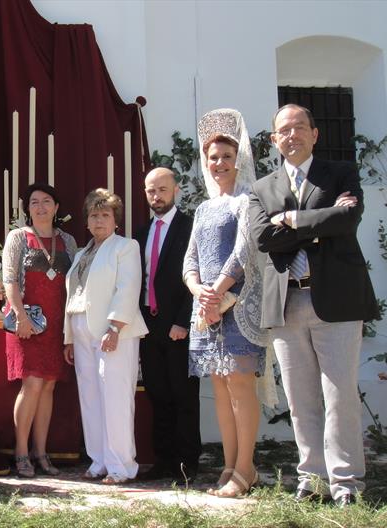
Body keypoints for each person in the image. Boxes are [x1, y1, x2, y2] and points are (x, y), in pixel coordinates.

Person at [248, 104, 376, 507]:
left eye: (300, 127)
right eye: (283, 130)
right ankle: (312, 478)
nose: (292, 135)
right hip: (287, 303)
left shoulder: (340, 173)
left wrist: (290, 220)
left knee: (339, 397)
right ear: (273, 140)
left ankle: (346, 484)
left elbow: (346, 220)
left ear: (314, 134)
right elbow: (261, 239)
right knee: (301, 401)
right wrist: (316, 222)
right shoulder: (261, 187)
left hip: (335, 300)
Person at [183, 108, 267, 498]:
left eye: (226, 157)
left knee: (239, 384)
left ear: (239, 159)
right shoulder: (203, 208)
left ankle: (247, 467)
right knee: (218, 387)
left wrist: (217, 291)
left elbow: (243, 250)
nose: (218, 163)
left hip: (238, 303)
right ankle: (230, 464)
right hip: (207, 308)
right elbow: (190, 258)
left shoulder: (247, 200)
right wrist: (198, 290)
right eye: (212, 157)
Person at [63, 189, 147, 484]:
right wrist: (69, 337)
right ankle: (99, 459)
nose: (98, 220)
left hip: (114, 330)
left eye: (105, 215)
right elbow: (73, 294)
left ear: (115, 221)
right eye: (94, 215)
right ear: (87, 221)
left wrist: (115, 328)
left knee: (115, 396)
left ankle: (121, 466)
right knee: (90, 396)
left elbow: (128, 287)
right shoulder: (82, 253)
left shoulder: (126, 247)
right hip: (81, 328)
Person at [2, 183, 76, 478]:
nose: (41, 207)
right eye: (35, 202)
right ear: (28, 208)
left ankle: (41, 452)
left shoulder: (68, 241)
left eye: (47, 201)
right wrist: (20, 316)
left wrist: (70, 331)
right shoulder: (18, 238)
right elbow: (9, 279)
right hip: (27, 321)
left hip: (57, 324)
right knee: (31, 384)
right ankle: (21, 453)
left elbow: (75, 284)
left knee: (48, 386)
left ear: (57, 207)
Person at [135, 168, 200, 484]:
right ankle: (163, 461)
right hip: (149, 326)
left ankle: (187, 463)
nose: (156, 196)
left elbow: (197, 276)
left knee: (184, 397)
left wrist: (182, 321)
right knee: (158, 395)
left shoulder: (191, 227)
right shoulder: (141, 233)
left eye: (162, 189)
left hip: (179, 325)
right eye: (151, 191)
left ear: (175, 190)